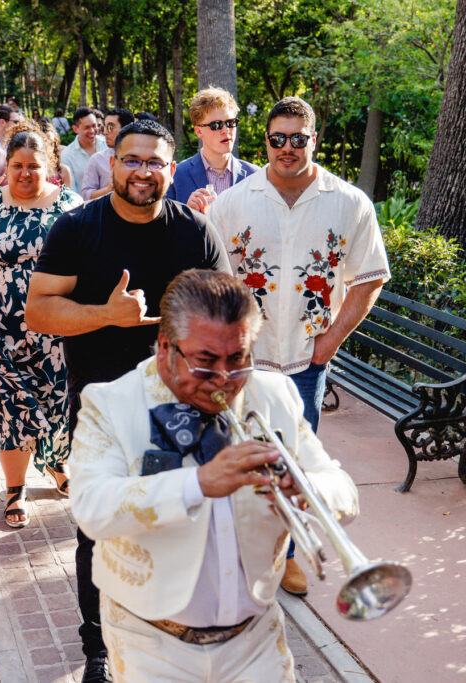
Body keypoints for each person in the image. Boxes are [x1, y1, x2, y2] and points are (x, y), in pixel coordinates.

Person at [70, 269, 359, 682]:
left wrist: (309, 490)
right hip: (149, 642)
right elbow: (92, 508)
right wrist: (198, 483)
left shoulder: (274, 394)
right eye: (205, 361)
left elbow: (343, 489)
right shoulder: (111, 402)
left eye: (239, 358)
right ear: (166, 347)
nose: (225, 379)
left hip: (256, 635)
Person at [26, 118, 232, 683]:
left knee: (183, 520)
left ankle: (177, 627)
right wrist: (105, 316)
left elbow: (228, 313)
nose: (144, 171)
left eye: (155, 162)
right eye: (133, 159)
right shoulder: (77, 228)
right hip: (101, 412)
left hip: (183, 410)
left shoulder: (195, 231)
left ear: (172, 168)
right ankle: (100, 648)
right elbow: (38, 311)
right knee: (102, 530)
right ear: (111, 163)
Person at [207, 97, 390, 595]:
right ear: (264, 141)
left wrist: (330, 341)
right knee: (236, 453)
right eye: (277, 138)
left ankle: (286, 555)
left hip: (306, 361)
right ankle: (238, 550)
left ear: (314, 139)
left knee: (294, 464)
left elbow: (369, 278)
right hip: (245, 357)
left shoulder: (349, 202)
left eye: (298, 138)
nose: (287, 148)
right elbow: (210, 279)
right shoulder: (232, 203)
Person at [0, 130, 82, 528]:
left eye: (33, 166)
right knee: (10, 406)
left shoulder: (70, 207)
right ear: (6, 167)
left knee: (57, 401)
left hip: (56, 330)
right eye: (17, 166)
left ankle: (56, 462)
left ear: (52, 168)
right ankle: (15, 487)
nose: (24, 174)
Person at [166, 87, 258, 210]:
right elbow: (165, 227)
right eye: (216, 125)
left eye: (230, 123)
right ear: (199, 131)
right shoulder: (176, 177)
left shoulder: (254, 175)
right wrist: (186, 214)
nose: (226, 131)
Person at [80, 108, 135, 200]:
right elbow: (85, 195)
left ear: (127, 129)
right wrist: (109, 189)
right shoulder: (97, 159)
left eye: (110, 127)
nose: (105, 132)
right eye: (104, 127)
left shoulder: (144, 157)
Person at [61, 107, 108, 195]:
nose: (92, 131)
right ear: (75, 129)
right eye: (87, 127)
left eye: (94, 126)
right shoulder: (67, 155)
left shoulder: (107, 145)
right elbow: (71, 191)